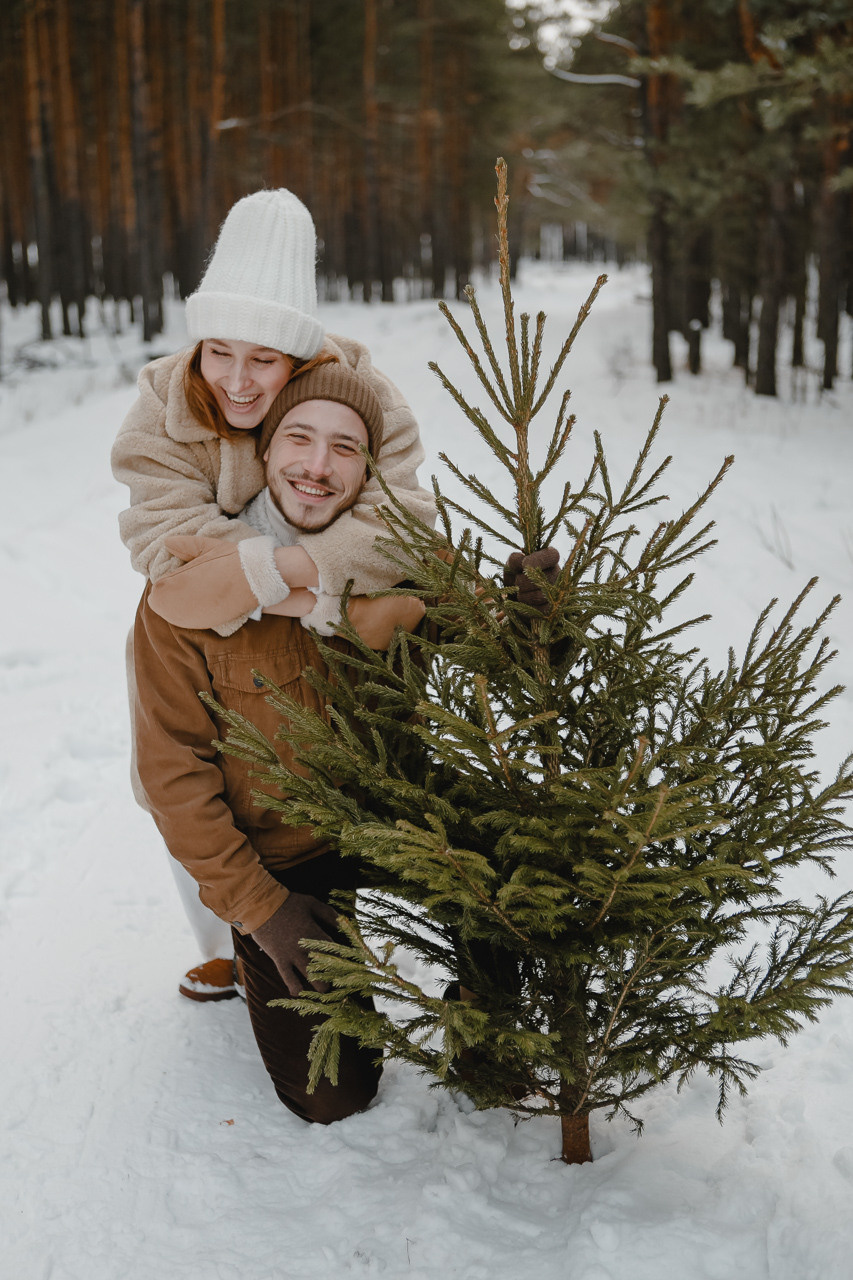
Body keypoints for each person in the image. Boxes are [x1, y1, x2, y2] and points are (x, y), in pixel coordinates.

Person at [111, 188, 434, 1000]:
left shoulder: (363, 392)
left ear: (301, 358)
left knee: (309, 752)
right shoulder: (163, 401)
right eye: (220, 351)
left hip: (313, 611)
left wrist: (303, 576)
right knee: (189, 759)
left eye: (263, 359)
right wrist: (302, 585)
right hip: (216, 621)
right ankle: (232, 933)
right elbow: (163, 546)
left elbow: (400, 520)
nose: (238, 381)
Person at [133, 364, 412, 1124]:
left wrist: (535, 612)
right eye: (298, 438)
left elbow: (502, 647)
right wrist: (262, 910)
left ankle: (484, 1000)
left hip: (400, 823)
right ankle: (251, 954)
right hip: (285, 859)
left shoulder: (398, 559)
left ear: (369, 467)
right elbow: (174, 779)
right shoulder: (188, 592)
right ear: (264, 453)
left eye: (345, 448)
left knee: (521, 895)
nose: (317, 468)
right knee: (333, 1099)